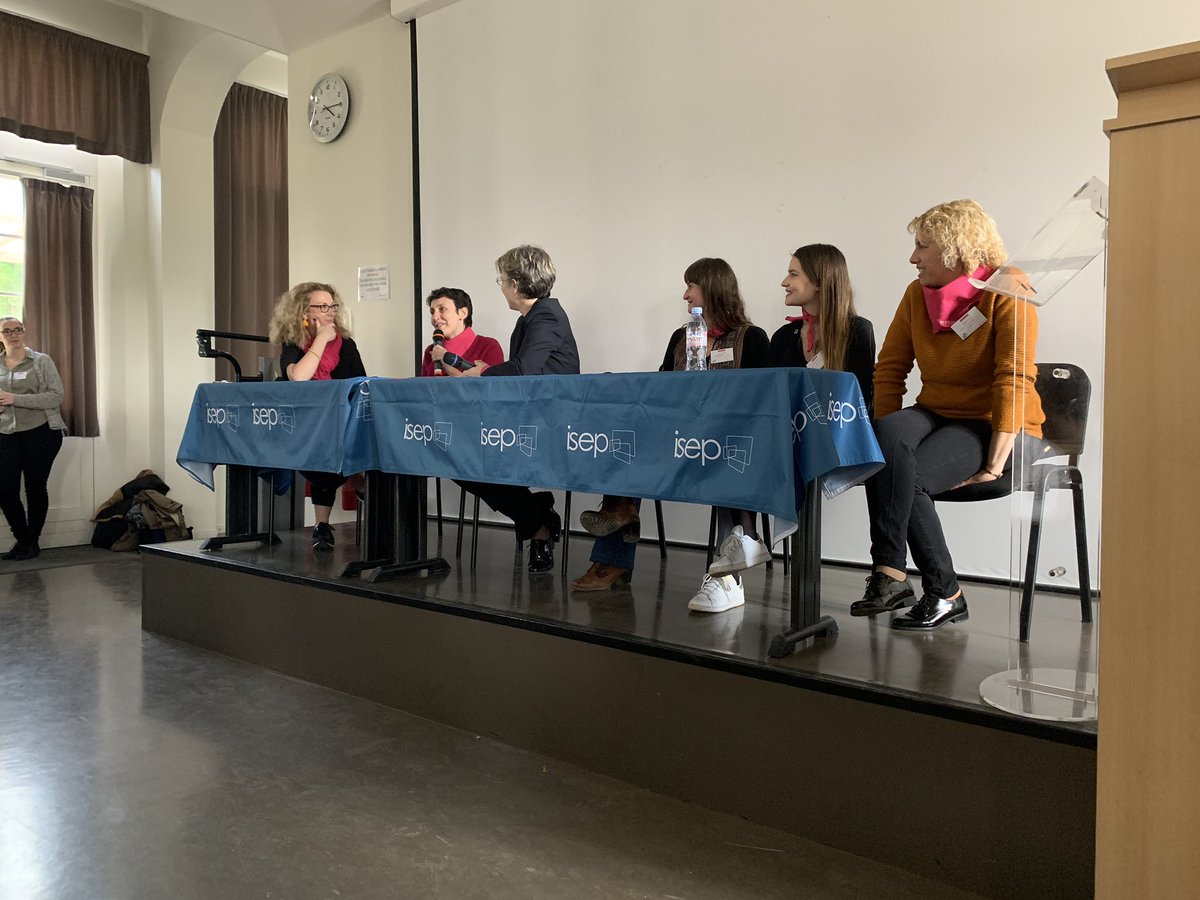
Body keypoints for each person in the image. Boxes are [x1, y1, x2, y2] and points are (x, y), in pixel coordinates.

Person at [854, 199, 1045, 631]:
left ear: (956, 248)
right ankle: (890, 573)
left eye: (922, 246)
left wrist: (995, 464)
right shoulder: (915, 295)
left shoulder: (1009, 288)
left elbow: (1013, 377)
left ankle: (945, 592)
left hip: (994, 423)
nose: (912, 257)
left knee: (913, 475)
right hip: (936, 410)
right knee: (889, 443)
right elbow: (889, 370)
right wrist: (882, 443)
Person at [571, 258, 771, 614]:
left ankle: (725, 577)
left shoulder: (751, 338)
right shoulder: (682, 337)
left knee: (731, 456)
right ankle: (617, 537)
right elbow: (662, 388)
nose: (685, 294)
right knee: (627, 438)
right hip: (676, 438)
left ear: (710, 288)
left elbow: (761, 399)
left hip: (726, 440)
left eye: (690, 286)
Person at [447, 245, 579, 573]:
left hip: (550, 422)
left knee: (467, 460)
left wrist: (482, 372)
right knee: (460, 460)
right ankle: (537, 517)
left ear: (516, 284)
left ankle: (537, 524)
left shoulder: (545, 314)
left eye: (501, 280)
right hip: (528, 416)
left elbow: (524, 370)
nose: (501, 286)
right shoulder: (530, 318)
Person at [269, 282, 367, 551]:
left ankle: (326, 522)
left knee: (335, 442)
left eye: (332, 306)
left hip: (340, 420)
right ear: (302, 311)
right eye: (322, 306)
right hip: (303, 423)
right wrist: (321, 339)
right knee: (321, 447)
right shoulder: (293, 343)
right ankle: (324, 522)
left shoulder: (346, 345)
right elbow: (299, 377)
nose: (330, 312)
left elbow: (361, 384)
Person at [770, 243, 876, 412]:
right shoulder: (783, 336)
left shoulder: (857, 331)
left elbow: (862, 403)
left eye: (793, 274)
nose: (784, 282)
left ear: (819, 281)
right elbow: (772, 401)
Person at [0, 317, 68, 560]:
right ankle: (24, 539)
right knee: (5, 489)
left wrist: (15, 399)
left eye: (17, 329)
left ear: (24, 332)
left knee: (34, 488)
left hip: (41, 432)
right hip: (6, 434)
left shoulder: (40, 361)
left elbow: (55, 396)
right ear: (0, 336)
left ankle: (31, 542)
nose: (13, 334)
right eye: (7, 331)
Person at [419, 287, 504, 377]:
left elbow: (492, 388)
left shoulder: (488, 346)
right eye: (432, 312)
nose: (435, 317)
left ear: (463, 313)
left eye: (442, 309)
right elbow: (423, 389)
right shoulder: (431, 350)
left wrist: (446, 362)